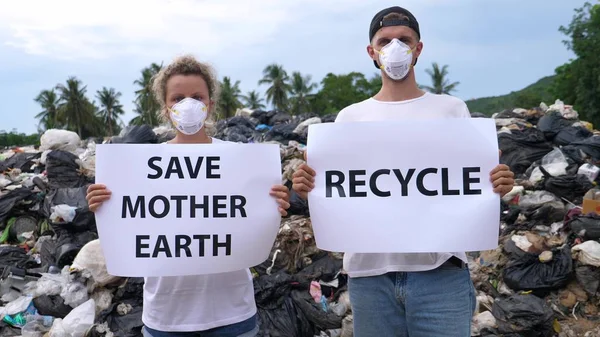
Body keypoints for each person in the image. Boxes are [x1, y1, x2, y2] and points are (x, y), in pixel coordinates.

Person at [291, 6, 515, 337]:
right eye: (385, 40)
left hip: (441, 276)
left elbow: (471, 182)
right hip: (371, 280)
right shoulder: (349, 119)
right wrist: (307, 185)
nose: (394, 47)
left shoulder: (452, 110)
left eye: (404, 39)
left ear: (418, 49)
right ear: (372, 52)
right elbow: (335, 191)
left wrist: (497, 183)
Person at [86, 55, 291, 337]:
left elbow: (249, 217)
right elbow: (134, 221)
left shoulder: (239, 160)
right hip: (165, 319)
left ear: (210, 105)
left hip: (233, 315)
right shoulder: (139, 168)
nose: (189, 104)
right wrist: (104, 204)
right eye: (178, 98)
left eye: (197, 96)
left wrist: (272, 203)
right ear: (166, 108)